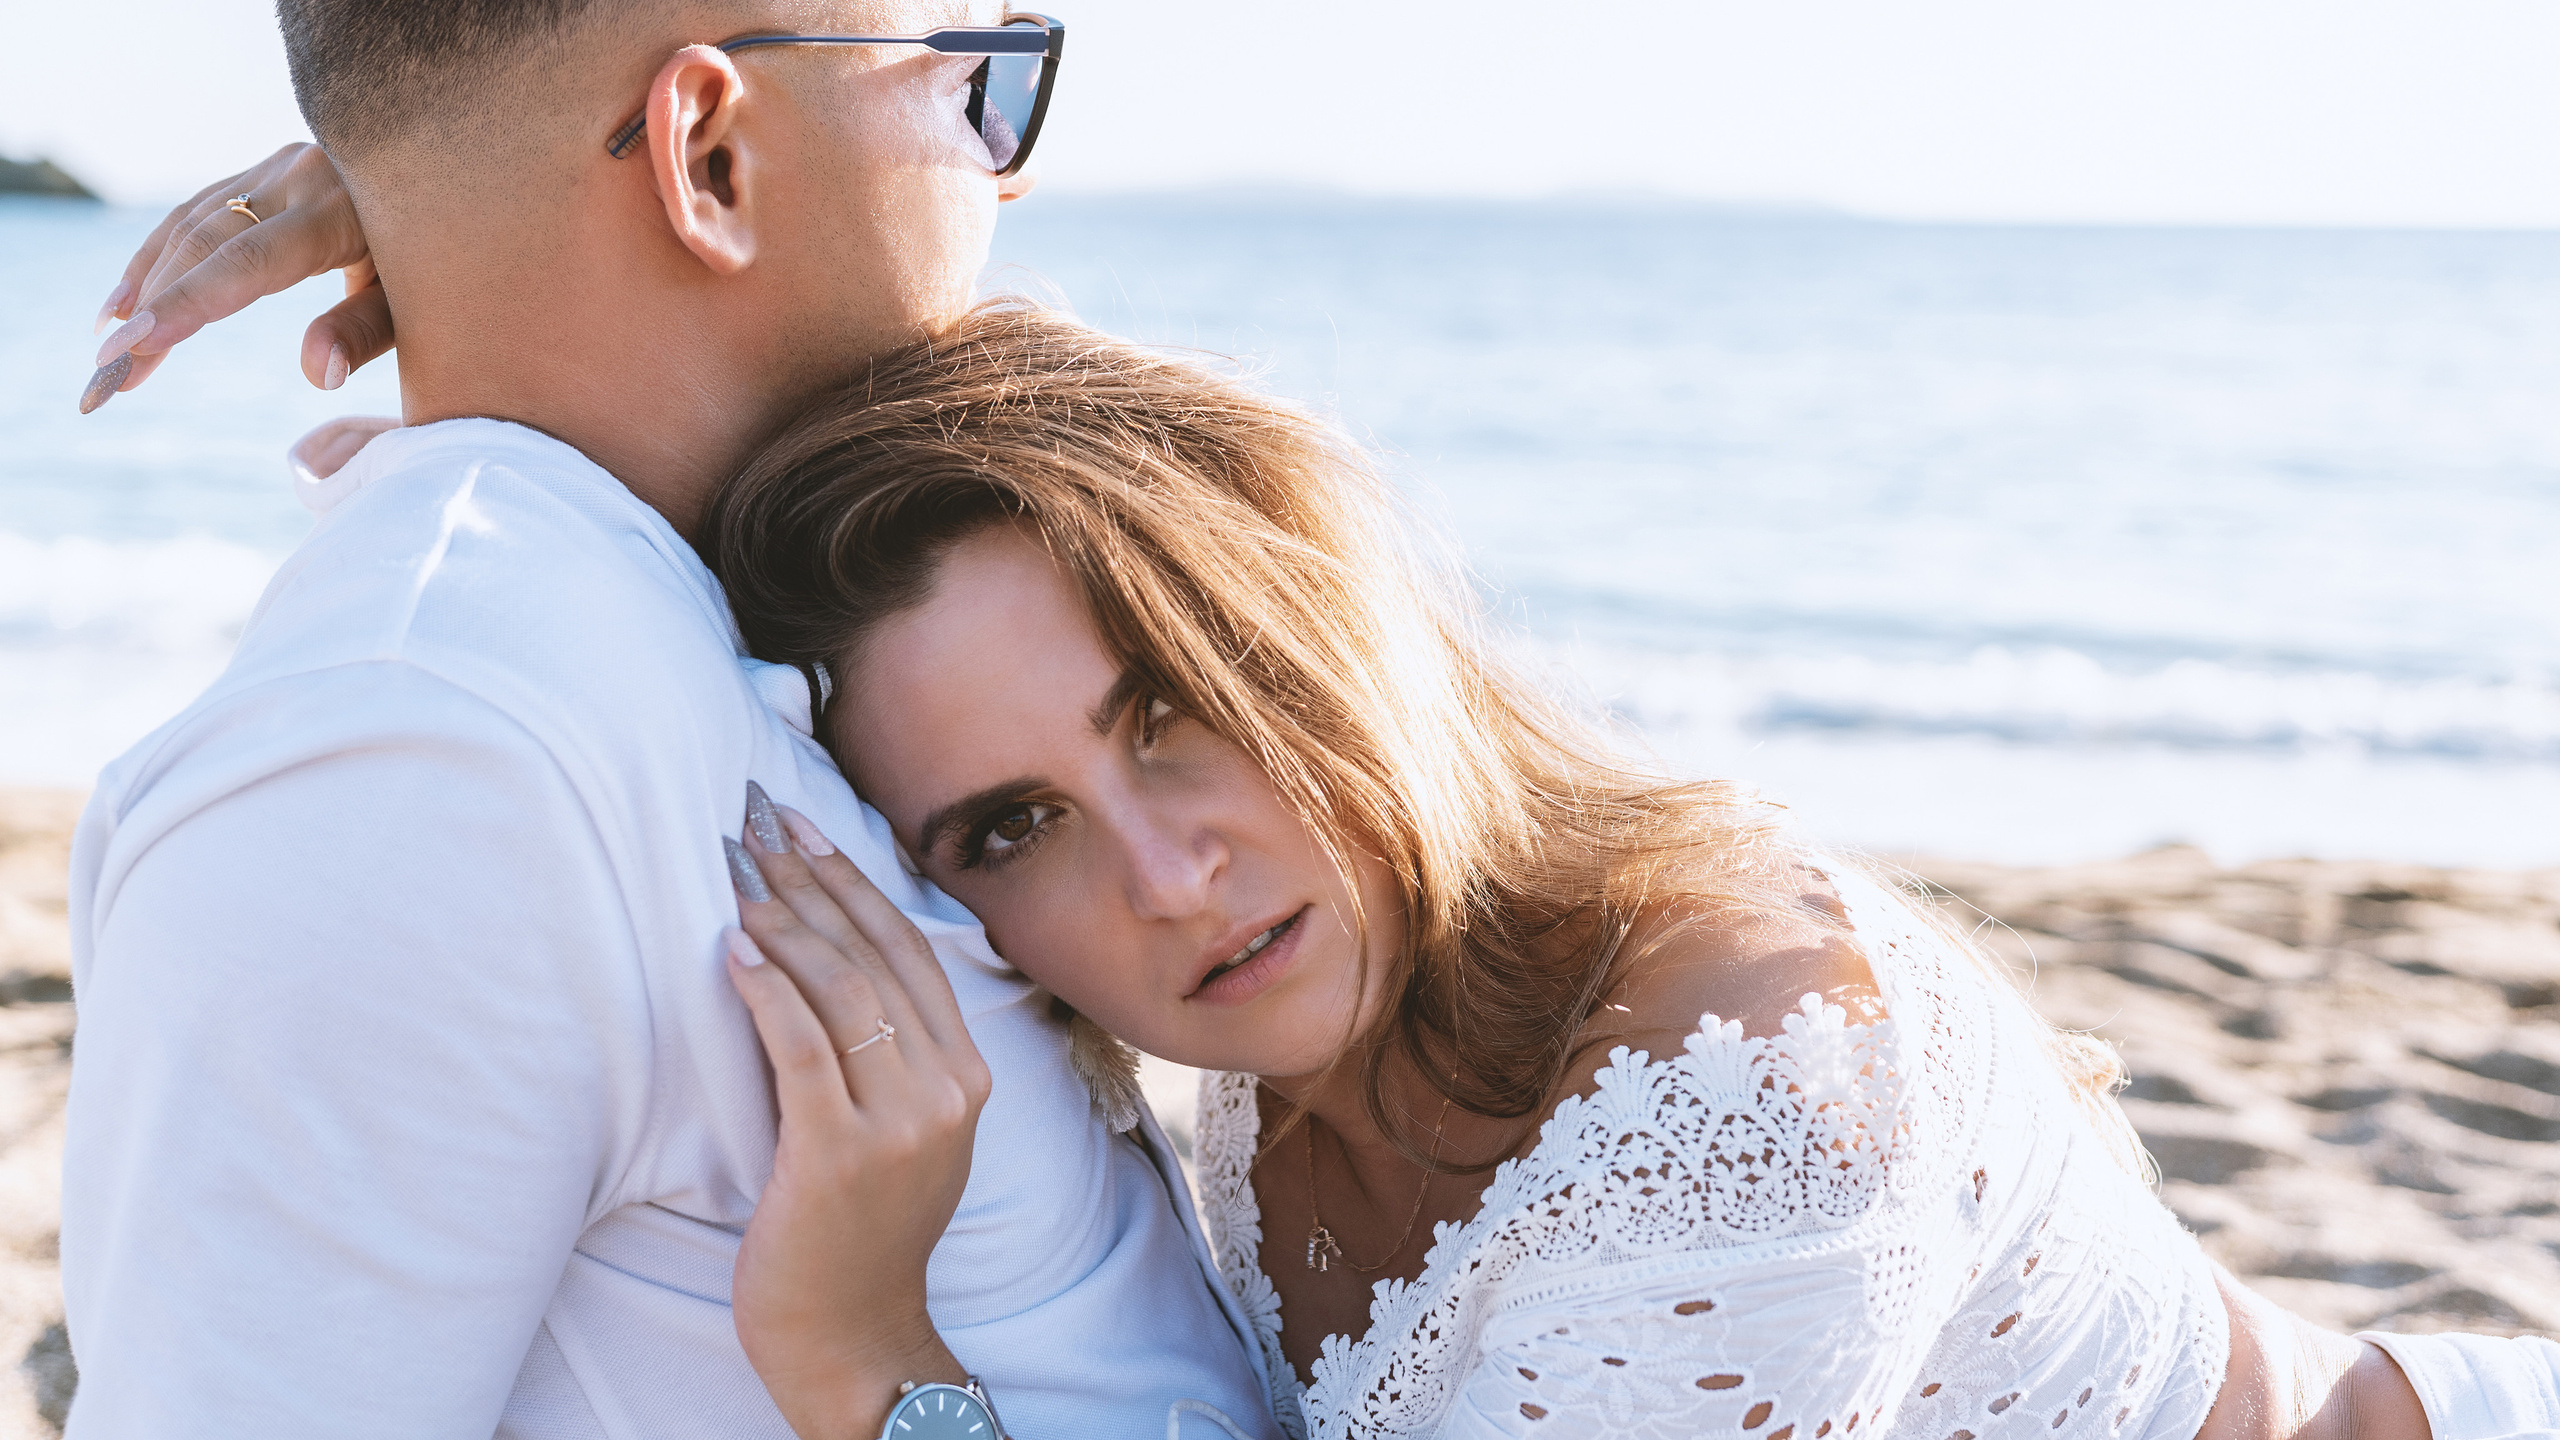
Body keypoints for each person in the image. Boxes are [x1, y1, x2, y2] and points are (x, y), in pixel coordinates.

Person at [685, 304, 2560, 1440]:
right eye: (1010, 828)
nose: (1169, 874)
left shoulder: (1760, 1073)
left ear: (1322, 626)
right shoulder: (1309, 1027)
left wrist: (870, 1372)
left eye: (1178, 704)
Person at [65, 5, 1278, 1439]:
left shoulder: (642, 605)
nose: (1004, 175)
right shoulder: (423, 763)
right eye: (975, 87)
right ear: (708, 157)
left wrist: (470, 211)